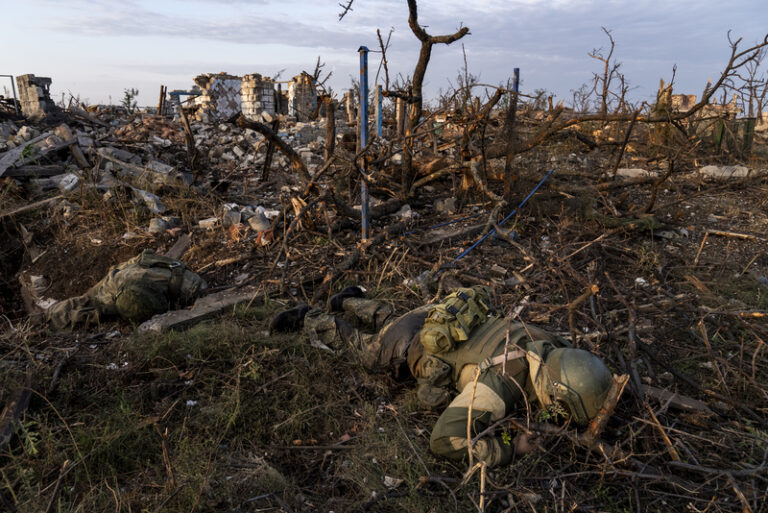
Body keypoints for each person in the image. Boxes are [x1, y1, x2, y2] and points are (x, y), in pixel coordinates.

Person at [271, 285, 614, 468]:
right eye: (562, 411)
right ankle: (309, 317)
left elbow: (574, 384)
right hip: (413, 343)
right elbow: (444, 441)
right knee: (368, 352)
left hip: (439, 314)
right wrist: (511, 449)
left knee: (395, 319)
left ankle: (347, 300)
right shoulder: (500, 385)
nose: (560, 418)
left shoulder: (554, 346)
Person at [44, 249, 207, 331]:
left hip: (138, 272)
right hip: (121, 278)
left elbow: (201, 289)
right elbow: (100, 305)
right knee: (86, 303)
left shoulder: (187, 283)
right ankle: (43, 319)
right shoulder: (110, 290)